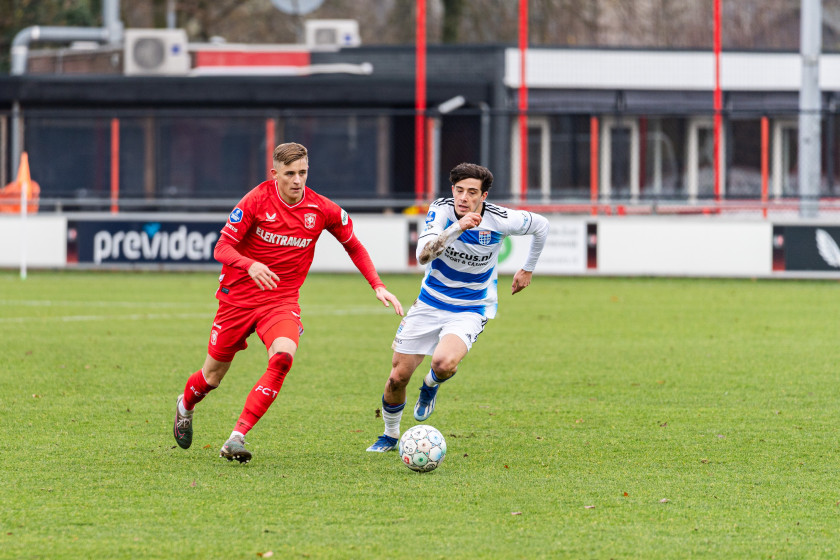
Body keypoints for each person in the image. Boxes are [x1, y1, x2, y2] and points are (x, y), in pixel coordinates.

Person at [173, 142, 403, 464]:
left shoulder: (321, 209)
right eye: (290, 173)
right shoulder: (255, 200)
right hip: (237, 299)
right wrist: (249, 264)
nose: (298, 180)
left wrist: (377, 285)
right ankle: (185, 405)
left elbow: (354, 246)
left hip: (280, 301)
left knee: (282, 358)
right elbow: (222, 248)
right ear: (275, 173)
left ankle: (236, 437)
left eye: (303, 173)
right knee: (212, 376)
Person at [367, 162, 550, 452]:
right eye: (459, 190)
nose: (464, 198)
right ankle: (390, 435)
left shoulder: (501, 219)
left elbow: (542, 226)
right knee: (397, 378)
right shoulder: (440, 211)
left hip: (471, 307)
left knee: (443, 363)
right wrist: (456, 228)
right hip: (429, 303)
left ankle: (430, 385)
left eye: (472, 192)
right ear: (452, 190)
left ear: (484, 196)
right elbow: (422, 256)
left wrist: (528, 268)